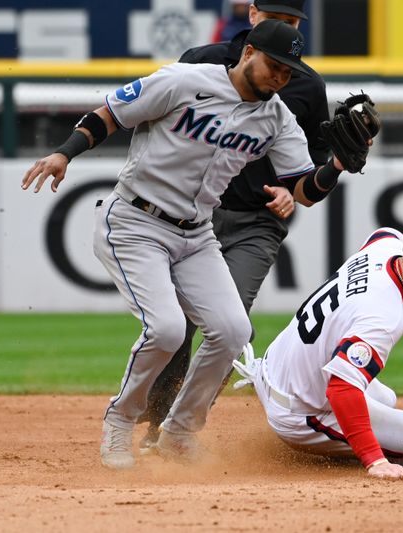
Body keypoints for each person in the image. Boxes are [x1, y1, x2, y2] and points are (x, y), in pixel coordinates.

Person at [21, 20, 358, 470]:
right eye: (274, 65)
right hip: (135, 222)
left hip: (196, 234)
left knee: (234, 332)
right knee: (166, 329)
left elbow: (302, 190)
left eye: (287, 71)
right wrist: (64, 152)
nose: (280, 77)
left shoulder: (277, 118)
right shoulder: (184, 81)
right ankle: (121, 421)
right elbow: (111, 113)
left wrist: (334, 164)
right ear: (248, 51)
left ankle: (178, 433)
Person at [137, 0, 333, 453]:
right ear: (253, 16)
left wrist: (296, 189)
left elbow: (313, 170)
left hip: (256, 222)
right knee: (178, 325)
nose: (285, 29)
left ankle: (180, 428)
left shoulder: (305, 86)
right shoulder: (199, 63)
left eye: (292, 22)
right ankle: (156, 428)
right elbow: (151, 121)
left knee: (231, 325)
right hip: (187, 217)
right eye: (276, 19)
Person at [231, 219, 403, 479]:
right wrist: (374, 460)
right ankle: (373, 462)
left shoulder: (385, 248)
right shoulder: (384, 316)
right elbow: (341, 389)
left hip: (276, 368)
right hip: (298, 415)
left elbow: (389, 232)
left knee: (385, 398)